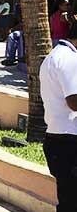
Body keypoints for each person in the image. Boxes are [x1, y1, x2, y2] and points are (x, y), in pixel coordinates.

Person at [40, 22, 77, 212]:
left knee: (68, 200)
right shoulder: (70, 60)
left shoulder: (53, 57)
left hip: (57, 139)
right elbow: (74, 101)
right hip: (70, 142)